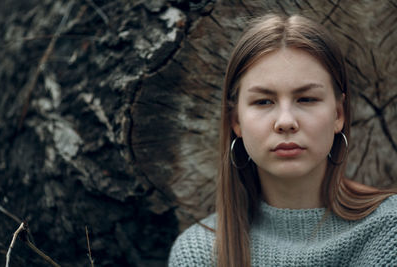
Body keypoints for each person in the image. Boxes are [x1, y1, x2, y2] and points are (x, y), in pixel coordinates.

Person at [168, 14, 397, 267]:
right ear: (236, 122)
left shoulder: (389, 231)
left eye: (306, 99)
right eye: (263, 101)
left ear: (338, 114)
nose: (286, 121)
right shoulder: (200, 252)